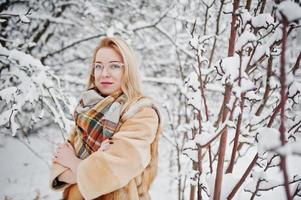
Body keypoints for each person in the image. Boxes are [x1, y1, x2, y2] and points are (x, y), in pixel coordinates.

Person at [49, 36, 161, 200]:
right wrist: (93, 165)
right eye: (98, 66)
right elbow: (58, 167)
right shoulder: (85, 110)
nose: (104, 73)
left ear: (127, 70)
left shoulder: (141, 113)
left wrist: (73, 163)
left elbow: (113, 171)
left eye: (114, 66)